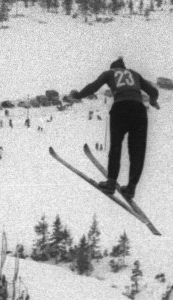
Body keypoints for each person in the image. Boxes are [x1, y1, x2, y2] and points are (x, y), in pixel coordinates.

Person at [70, 57, 161, 201]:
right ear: (124, 68)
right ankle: (131, 188)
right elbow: (153, 91)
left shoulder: (109, 73)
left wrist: (78, 95)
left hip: (121, 108)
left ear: (113, 67)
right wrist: (153, 101)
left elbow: (93, 87)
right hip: (139, 110)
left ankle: (111, 183)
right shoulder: (134, 74)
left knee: (116, 145)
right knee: (138, 150)